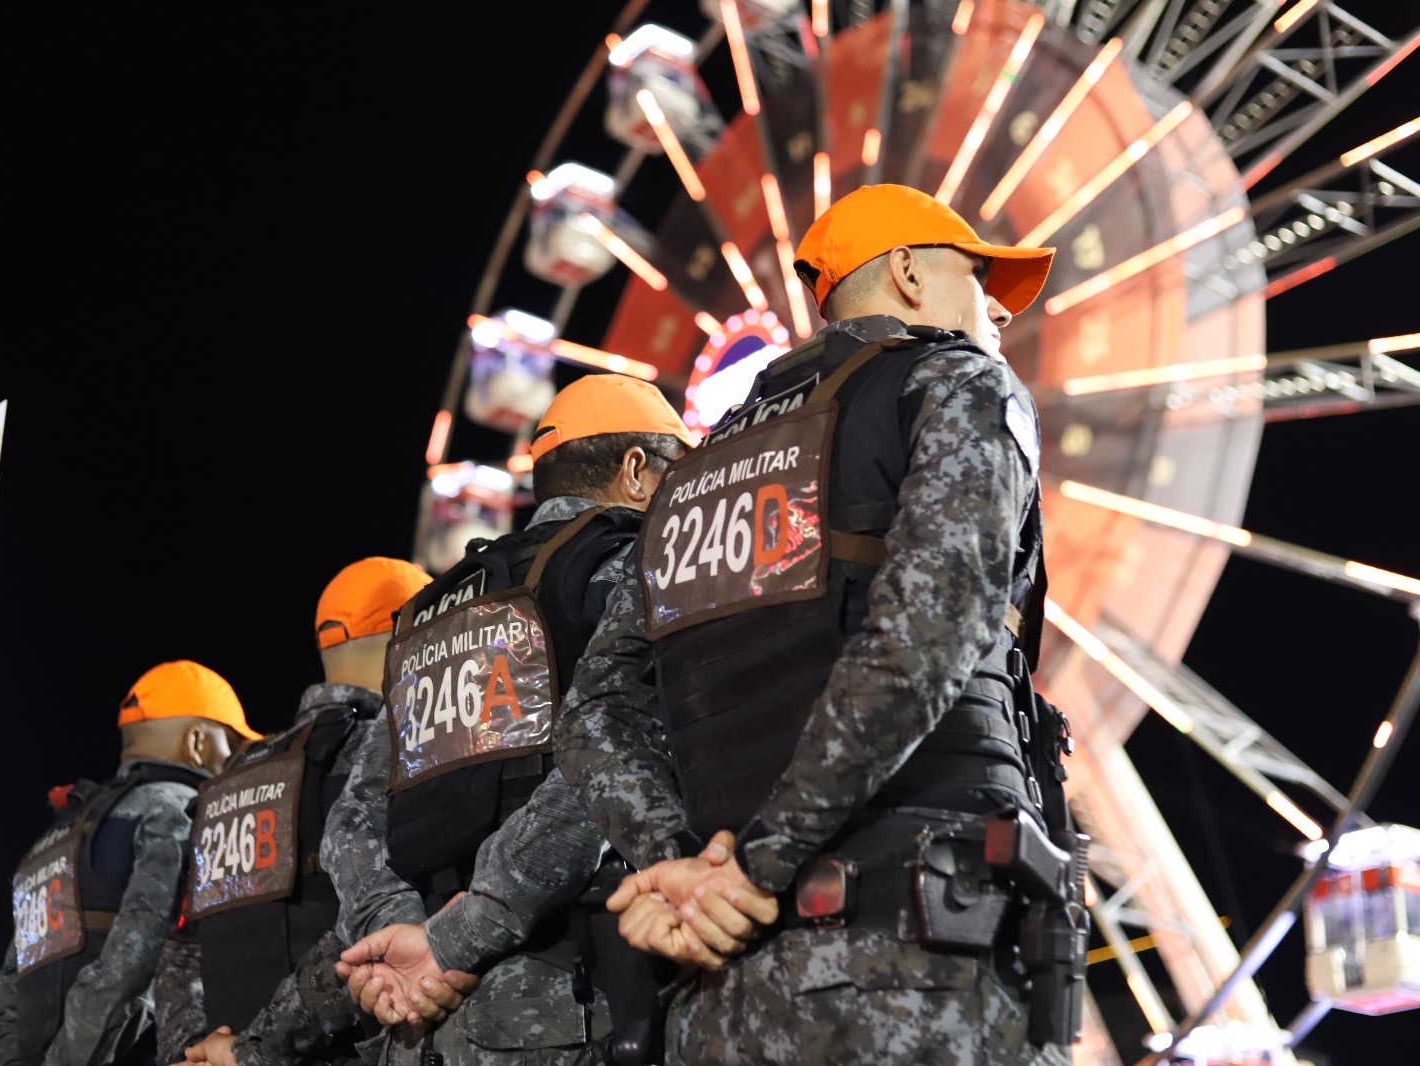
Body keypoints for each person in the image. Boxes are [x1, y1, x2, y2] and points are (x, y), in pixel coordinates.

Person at [552, 183, 1086, 1065]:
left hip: (720, 996)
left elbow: (592, 715)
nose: (992, 306)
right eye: (976, 275)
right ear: (910, 273)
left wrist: (690, 872)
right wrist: (756, 866)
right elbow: (926, 635)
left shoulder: (692, 476)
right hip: (914, 956)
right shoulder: (954, 381)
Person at [325, 373, 696, 1065]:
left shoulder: (431, 614)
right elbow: (607, 769)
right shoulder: (629, 568)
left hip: (424, 1028)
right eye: (680, 466)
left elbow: (351, 821)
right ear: (637, 471)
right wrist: (453, 940)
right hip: (572, 1000)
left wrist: (402, 938)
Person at [157, 557, 436, 1066]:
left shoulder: (230, 779)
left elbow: (180, 946)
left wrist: (192, 1051)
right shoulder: (402, 750)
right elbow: (372, 929)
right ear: (413, 629)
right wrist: (255, 1051)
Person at [0, 659, 260, 1066]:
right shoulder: (177, 810)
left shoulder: (58, 836)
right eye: (230, 744)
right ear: (198, 742)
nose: (234, 758)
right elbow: (134, 964)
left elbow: (5, 990)